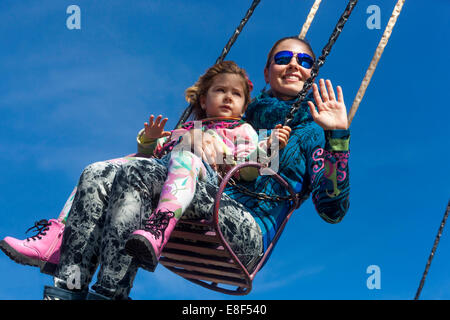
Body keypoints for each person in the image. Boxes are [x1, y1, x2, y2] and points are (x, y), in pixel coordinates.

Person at [1, 36, 350, 300]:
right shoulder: (240, 112)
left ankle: (110, 292)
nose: (293, 65)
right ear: (267, 70)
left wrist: (338, 136)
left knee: (140, 174)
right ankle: (68, 287)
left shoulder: (312, 129)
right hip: (192, 199)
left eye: (304, 60)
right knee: (99, 172)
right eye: (283, 58)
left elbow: (333, 210)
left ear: (312, 71)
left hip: (244, 232)